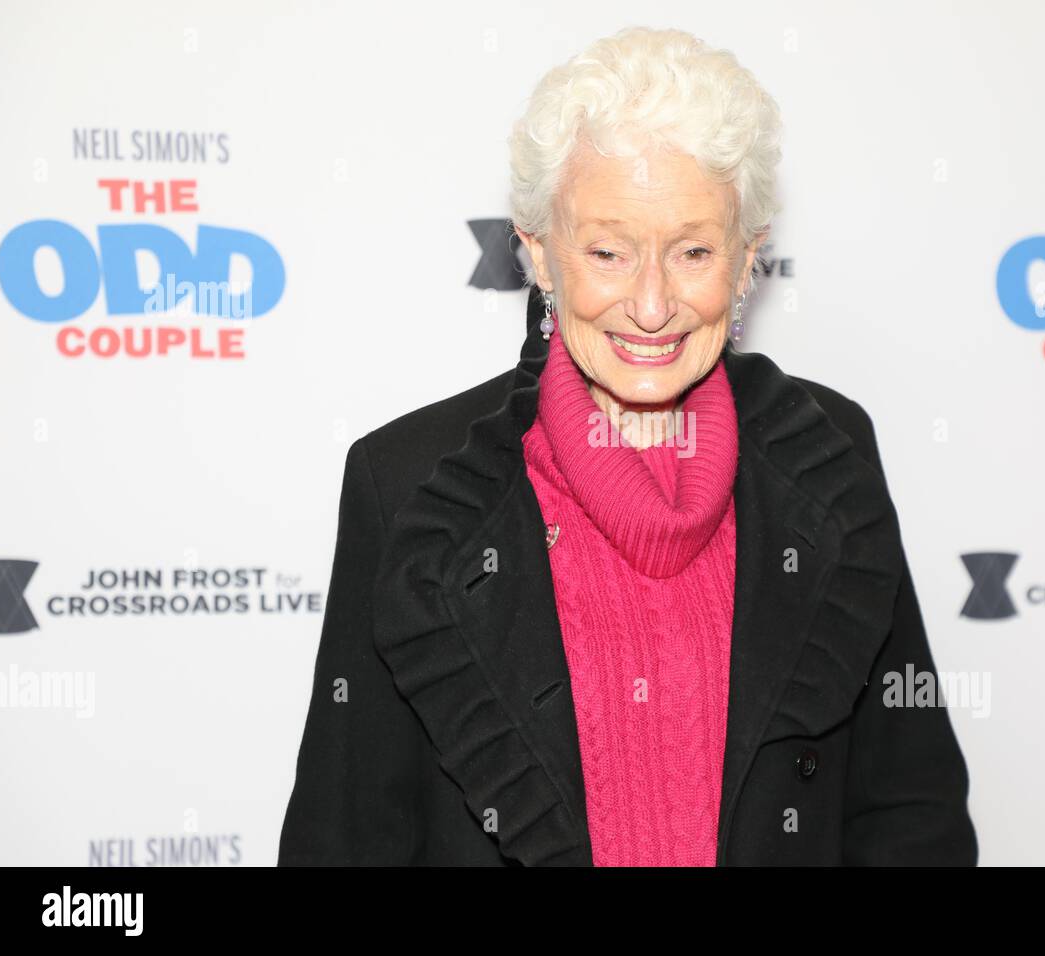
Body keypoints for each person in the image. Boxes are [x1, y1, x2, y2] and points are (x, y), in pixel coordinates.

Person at [278, 25, 977, 866]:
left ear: (748, 259)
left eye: (693, 251)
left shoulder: (828, 459)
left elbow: (910, 811)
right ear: (539, 256)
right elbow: (345, 837)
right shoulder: (411, 487)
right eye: (608, 251)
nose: (652, 305)